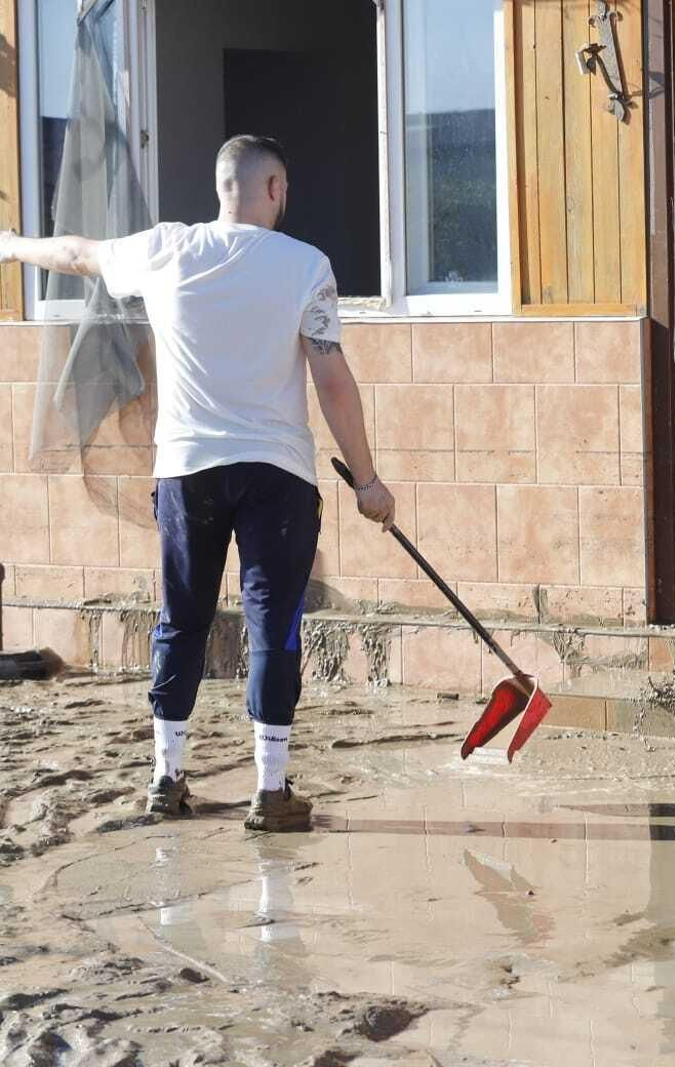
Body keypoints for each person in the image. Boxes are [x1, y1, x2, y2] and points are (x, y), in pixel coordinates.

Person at [0, 134, 395, 832]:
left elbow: (75, 254)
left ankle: (167, 778)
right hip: (276, 472)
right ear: (274, 188)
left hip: (186, 470)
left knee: (181, 620)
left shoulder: (165, 249)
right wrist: (367, 481)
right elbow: (332, 378)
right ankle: (271, 790)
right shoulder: (305, 265)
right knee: (273, 623)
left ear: (220, 188)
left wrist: (10, 244)